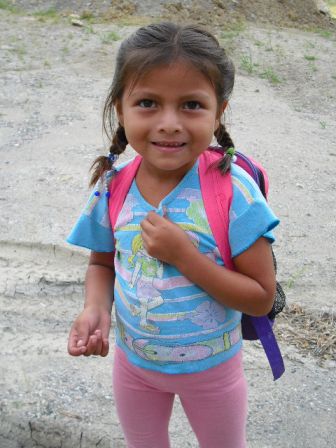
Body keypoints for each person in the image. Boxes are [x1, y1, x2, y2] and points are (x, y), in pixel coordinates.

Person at [67, 22, 279, 448]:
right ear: (120, 109)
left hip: (213, 372)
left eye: (191, 105)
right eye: (147, 102)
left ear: (219, 111)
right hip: (134, 368)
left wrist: (186, 257)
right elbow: (101, 263)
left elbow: (261, 296)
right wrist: (96, 309)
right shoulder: (113, 187)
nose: (169, 123)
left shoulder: (233, 192)